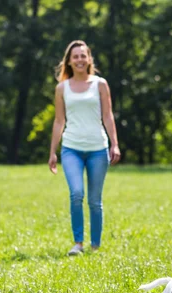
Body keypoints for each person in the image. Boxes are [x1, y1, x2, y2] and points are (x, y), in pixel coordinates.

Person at [48, 40, 121, 256]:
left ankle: (95, 245)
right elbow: (59, 121)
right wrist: (53, 151)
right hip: (71, 148)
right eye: (75, 56)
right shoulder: (62, 88)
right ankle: (78, 243)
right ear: (69, 61)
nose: (79, 59)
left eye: (83, 55)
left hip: (98, 148)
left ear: (88, 59)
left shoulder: (100, 84)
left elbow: (108, 116)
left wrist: (115, 144)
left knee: (94, 200)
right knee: (76, 193)